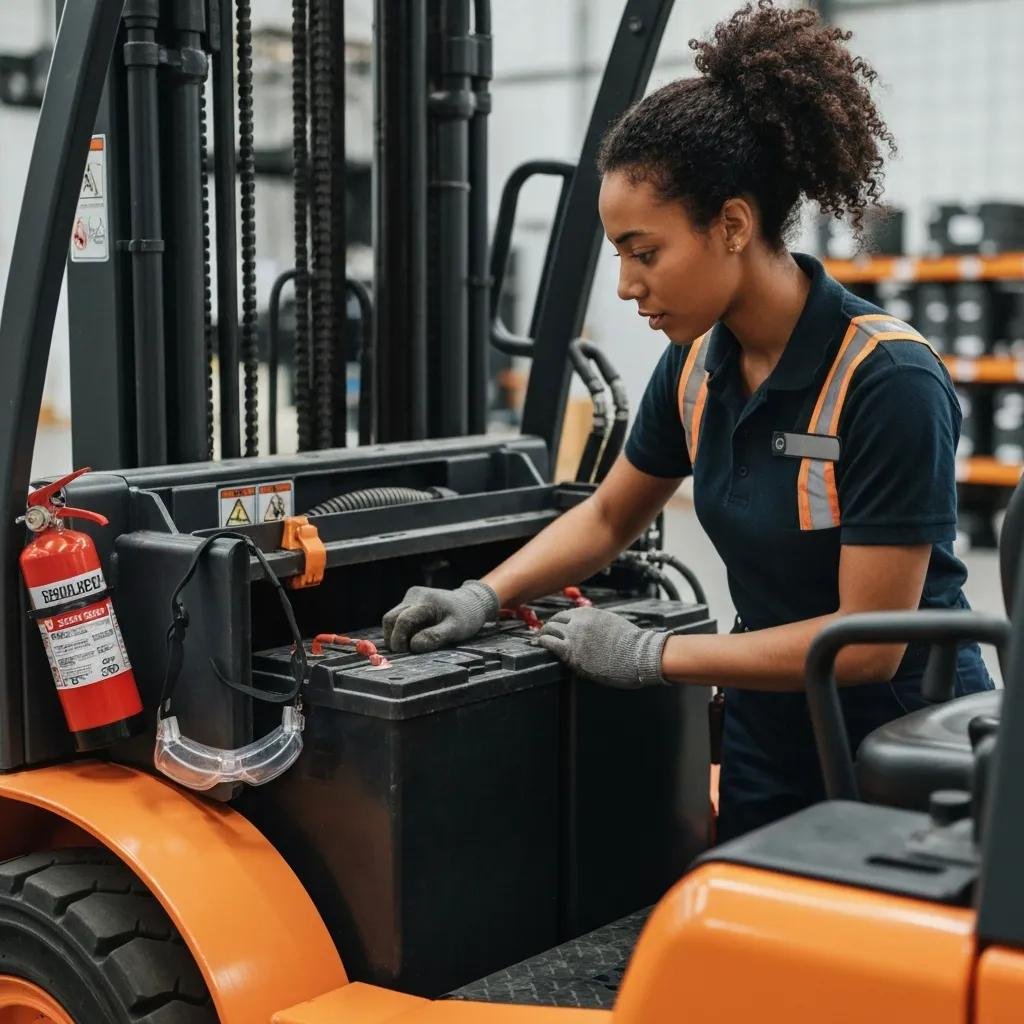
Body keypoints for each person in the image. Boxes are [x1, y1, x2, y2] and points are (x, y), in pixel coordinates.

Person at [382, 0, 993, 841]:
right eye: (619, 258)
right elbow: (606, 517)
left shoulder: (886, 380)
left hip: (900, 744)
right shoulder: (696, 369)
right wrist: (483, 594)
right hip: (769, 726)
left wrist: (651, 654)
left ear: (733, 225)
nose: (628, 285)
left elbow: (865, 645)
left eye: (645, 251)